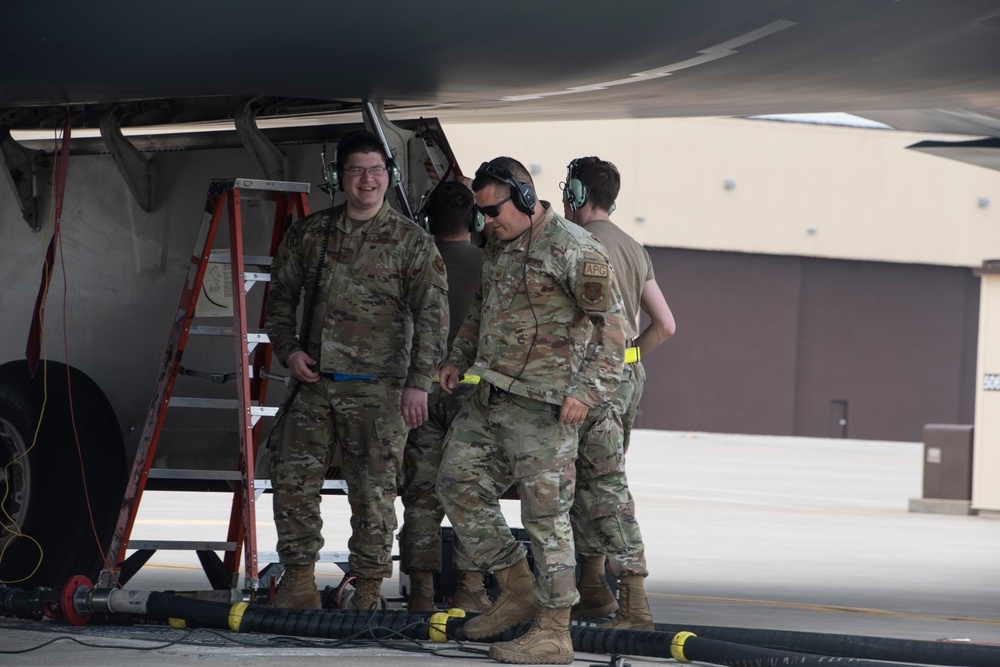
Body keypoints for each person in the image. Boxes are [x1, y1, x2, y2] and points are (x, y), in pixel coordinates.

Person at [437, 157, 626, 664]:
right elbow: (481, 309)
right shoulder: (499, 245)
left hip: (545, 408)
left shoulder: (574, 249)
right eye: (480, 214)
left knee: (547, 518)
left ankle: (553, 631)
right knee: (456, 482)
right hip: (491, 397)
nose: (486, 222)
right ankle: (515, 586)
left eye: (493, 210)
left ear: (523, 196)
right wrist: (458, 357)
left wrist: (585, 392)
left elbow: (613, 329)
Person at [264, 130, 449, 610]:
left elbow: (433, 317)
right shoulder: (311, 234)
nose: (367, 180)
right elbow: (279, 297)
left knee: (373, 496)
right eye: (356, 171)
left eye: (375, 170)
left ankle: (367, 591)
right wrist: (289, 350)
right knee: (290, 480)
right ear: (339, 177)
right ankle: (299, 583)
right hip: (315, 385)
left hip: (381, 393)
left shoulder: (412, 242)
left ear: (388, 176)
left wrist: (418, 385)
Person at [561, 156, 676, 631]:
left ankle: (619, 599)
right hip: (625, 377)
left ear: (577, 194)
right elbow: (666, 325)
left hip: (587, 379)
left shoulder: (579, 243)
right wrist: (628, 358)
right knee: (600, 478)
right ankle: (594, 593)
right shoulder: (633, 246)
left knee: (592, 486)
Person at [398, 180, 492, 613]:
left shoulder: (412, 261)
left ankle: (420, 591)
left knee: (421, 493)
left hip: (420, 391)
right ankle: (470, 589)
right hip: (472, 396)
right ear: (474, 220)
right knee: (471, 491)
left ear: (426, 221)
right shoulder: (491, 265)